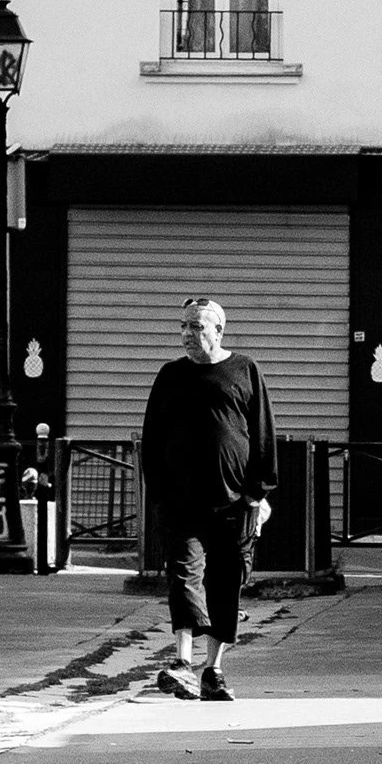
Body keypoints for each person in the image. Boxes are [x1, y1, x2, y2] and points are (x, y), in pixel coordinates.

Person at [140, 298, 276, 701]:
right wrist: (158, 491)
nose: (188, 334)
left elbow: (263, 434)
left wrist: (259, 494)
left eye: (197, 327)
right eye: (183, 326)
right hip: (180, 502)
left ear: (219, 331)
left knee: (227, 584)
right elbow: (152, 438)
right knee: (184, 575)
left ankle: (212, 670)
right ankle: (182, 662)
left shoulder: (245, 370)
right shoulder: (170, 376)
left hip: (234, 503)